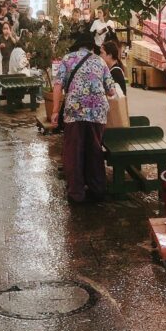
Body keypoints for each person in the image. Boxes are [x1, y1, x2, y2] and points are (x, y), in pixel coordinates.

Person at [51, 28, 116, 204]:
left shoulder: (67, 59)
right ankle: (97, 190)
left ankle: (76, 193)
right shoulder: (100, 62)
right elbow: (111, 91)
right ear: (92, 47)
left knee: (74, 152)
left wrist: (55, 110)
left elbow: (57, 86)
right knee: (94, 150)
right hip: (97, 112)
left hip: (74, 112)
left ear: (77, 47)